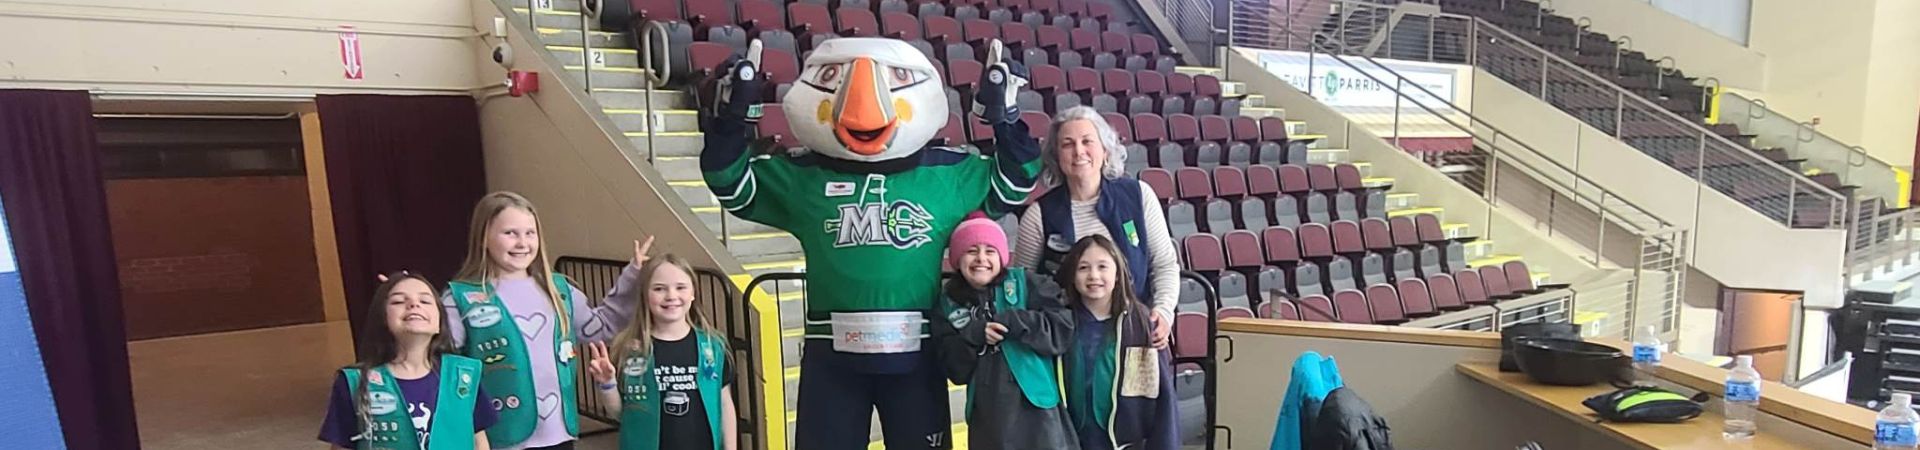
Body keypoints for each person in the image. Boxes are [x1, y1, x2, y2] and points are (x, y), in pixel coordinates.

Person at [699, 38, 1039, 449]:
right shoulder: (805, 175)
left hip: (918, 355)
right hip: (833, 359)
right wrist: (733, 117)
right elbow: (730, 183)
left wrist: (1005, 116)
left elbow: (1020, 177)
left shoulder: (946, 173)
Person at [443, 191, 652, 450]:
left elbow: (601, 327)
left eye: (530, 233)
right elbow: (438, 359)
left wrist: (633, 277)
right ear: (483, 237)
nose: (522, 242)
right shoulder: (460, 298)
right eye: (510, 233)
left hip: (559, 433)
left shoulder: (559, 290)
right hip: (498, 437)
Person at [1014, 106, 1181, 350]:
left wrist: (1164, 312)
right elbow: (1021, 285)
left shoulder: (1139, 195)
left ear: (1105, 151)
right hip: (1069, 345)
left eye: (1087, 141)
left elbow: (1165, 264)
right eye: (1067, 144)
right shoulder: (1038, 215)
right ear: (1057, 157)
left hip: (1134, 335)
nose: (1078, 151)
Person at [931, 212, 1079, 450]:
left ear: (1001, 257)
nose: (981, 259)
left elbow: (1062, 329)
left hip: (1040, 413)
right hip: (989, 418)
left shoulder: (1028, 283)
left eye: (990, 251)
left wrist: (1016, 321)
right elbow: (954, 369)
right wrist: (975, 335)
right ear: (957, 259)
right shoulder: (948, 303)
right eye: (971, 251)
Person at [320, 272, 496, 450]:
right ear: (381, 318)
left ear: (440, 321)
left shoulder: (464, 375)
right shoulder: (355, 382)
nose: (414, 304)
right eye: (398, 301)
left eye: (425, 301)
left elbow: (478, 441)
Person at [583, 254, 738, 450]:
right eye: (659, 289)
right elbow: (619, 413)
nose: (671, 296)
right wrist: (607, 384)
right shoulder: (628, 348)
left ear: (693, 293)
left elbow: (725, 405)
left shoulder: (713, 345)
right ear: (645, 295)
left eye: (680, 287)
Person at [1057, 235, 1178, 450]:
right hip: (1073, 439)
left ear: (1118, 274)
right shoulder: (1060, 322)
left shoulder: (1140, 323)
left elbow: (1162, 397)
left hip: (1124, 443)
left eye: (1102, 266)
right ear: (1073, 276)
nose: (1093, 275)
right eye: (1083, 267)